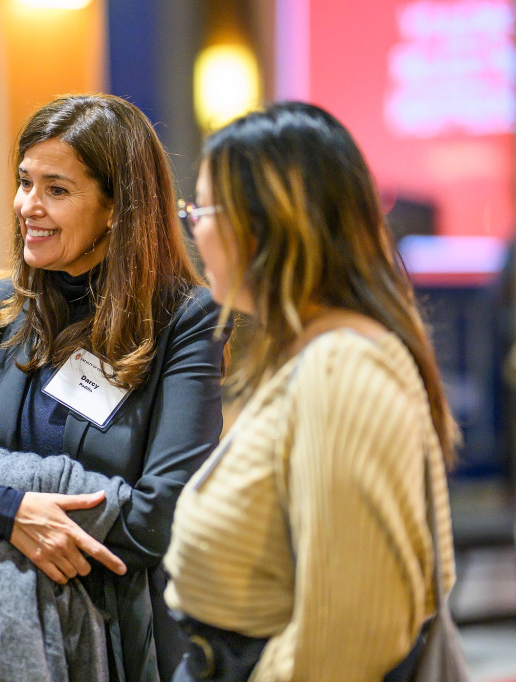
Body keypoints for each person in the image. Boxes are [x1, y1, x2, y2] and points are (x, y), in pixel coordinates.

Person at [0, 94, 227, 681]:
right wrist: (9, 511)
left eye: (57, 190)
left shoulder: (184, 322)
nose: (28, 206)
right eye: (24, 182)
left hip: (115, 636)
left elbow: (158, 520)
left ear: (119, 208)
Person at [164, 102, 458, 680]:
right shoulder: (317, 353)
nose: (193, 225)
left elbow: (351, 640)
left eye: (202, 207)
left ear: (266, 220)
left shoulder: (340, 367)